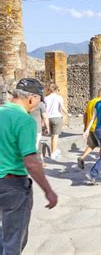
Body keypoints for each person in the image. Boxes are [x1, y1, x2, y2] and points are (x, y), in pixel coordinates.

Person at [0, 78, 58, 254]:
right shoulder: (24, 121)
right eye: (40, 99)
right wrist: (48, 190)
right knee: (13, 241)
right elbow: (31, 163)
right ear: (32, 98)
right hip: (12, 185)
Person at [44, 83, 70, 160]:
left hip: (48, 118)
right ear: (56, 89)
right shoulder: (59, 97)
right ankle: (53, 153)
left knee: (52, 135)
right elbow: (62, 108)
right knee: (55, 136)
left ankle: (53, 151)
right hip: (57, 117)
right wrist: (68, 114)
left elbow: (45, 109)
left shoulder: (46, 98)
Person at [77, 90, 101, 169]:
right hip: (98, 127)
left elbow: (85, 114)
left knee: (92, 145)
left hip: (90, 127)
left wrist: (85, 126)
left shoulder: (91, 102)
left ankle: (82, 157)